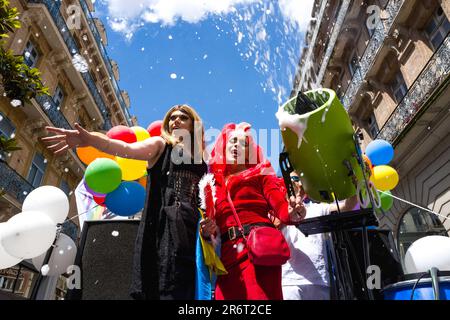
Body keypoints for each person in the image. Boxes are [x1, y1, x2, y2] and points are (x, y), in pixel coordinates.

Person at [42, 104, 208, 300]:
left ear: (193, 124)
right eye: (172, 118)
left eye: (182, 117)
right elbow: (125, 148)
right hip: (164, 231)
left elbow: (202, 201)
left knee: (189, 291)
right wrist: (89, 140)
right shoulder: (160, 146)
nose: (175, 121)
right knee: (165, 287)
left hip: (192, 234)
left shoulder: (201, 162)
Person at [199, 122, 306, 300]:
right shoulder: (211, 185)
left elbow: (280, 207)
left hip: (258, 252)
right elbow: (211, 229)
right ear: (223, 146)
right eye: (232, 141)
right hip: (227, 257)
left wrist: (292, 212)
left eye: (244, 144)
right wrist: (205, 231)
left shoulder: (261, 175)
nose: (237, 146)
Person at [278, 171, 358, 300]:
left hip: (318, 280)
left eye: (299, 180)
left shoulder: (318, 208)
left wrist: (354, 188)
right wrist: (290, 208)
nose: (296, 183)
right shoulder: (278, 210)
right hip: (289, 281)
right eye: (292, 179)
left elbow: (347, 207)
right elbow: (272, 228)